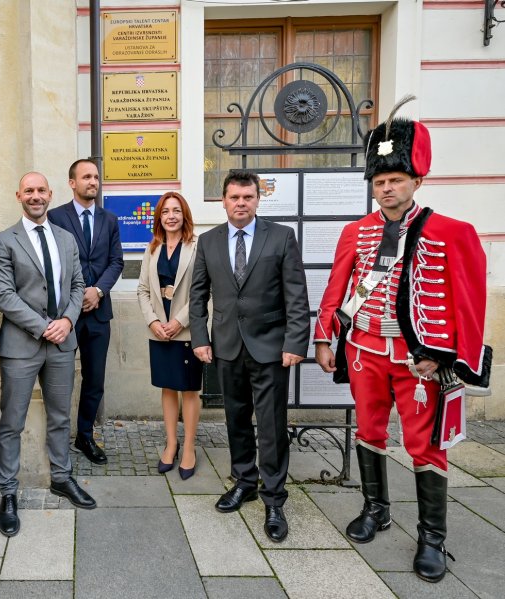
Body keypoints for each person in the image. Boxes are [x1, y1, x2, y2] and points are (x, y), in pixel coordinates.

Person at [314, 97, 489, 583]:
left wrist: (446, 357)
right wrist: (326, 339)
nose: (386, 189)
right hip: (365, 352)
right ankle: (376, 509)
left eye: (395, 180)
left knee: (424, 446)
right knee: (369, 432)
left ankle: (432, 537)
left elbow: (469, 303)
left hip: (418, 364)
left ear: (416, 181)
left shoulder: (451, 233)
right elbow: (338, 289)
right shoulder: (356, 232)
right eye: (380, 181)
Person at [190, 169, 309, 543]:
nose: (241, 203)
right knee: (236, 418)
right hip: (226, 346)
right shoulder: (208, 241)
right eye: (234, 197)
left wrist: (295, 342)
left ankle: (274, 499)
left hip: (271, 347)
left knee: (272, 424)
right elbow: (197, 296)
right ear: (223, 201)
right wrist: (200, 338)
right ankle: (244, 481)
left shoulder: (282, 237)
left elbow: (296, 294)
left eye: (248, 197)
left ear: (258, 199)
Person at [0, 171, 95, 537]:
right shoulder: (4, 240)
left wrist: (67, 320)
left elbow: (78, 285)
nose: (36, 196)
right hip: (22, 346)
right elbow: (3, 294)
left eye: (41, 190)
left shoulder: (65, 238)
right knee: (12, 422)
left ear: (50, 194)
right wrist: (42, 325)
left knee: (60, 416)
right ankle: (7, 492)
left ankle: (62, 478)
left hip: (63, 343)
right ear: (19, 194)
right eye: (29, 190)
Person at [47, 159, 123, 465]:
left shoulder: (110, 219)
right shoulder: (54, 217)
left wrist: (99, 291)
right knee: (59, 378)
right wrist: (77, 298)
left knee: (95, 379)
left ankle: (85, 436)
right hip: (66, 313)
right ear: (72, 183)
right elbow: (50, 264)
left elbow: (116, 261)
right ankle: (57, 438)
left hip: (99, 313)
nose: (93, 181)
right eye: (86, 177)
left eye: (96, 176)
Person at [136, 192, 202, 479]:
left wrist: (179, 321)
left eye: (176, 210)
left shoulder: (197, 246)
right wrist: (153, 322)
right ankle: (171, 443)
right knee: (167, 387)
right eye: (165, 211)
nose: (171, 216)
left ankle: (189, 447)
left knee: (188, 388)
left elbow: (201, 290)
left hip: (185, 329)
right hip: (159, 331)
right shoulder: (152, 248)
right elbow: (142, 290)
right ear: (159, 217)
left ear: (184, 214)